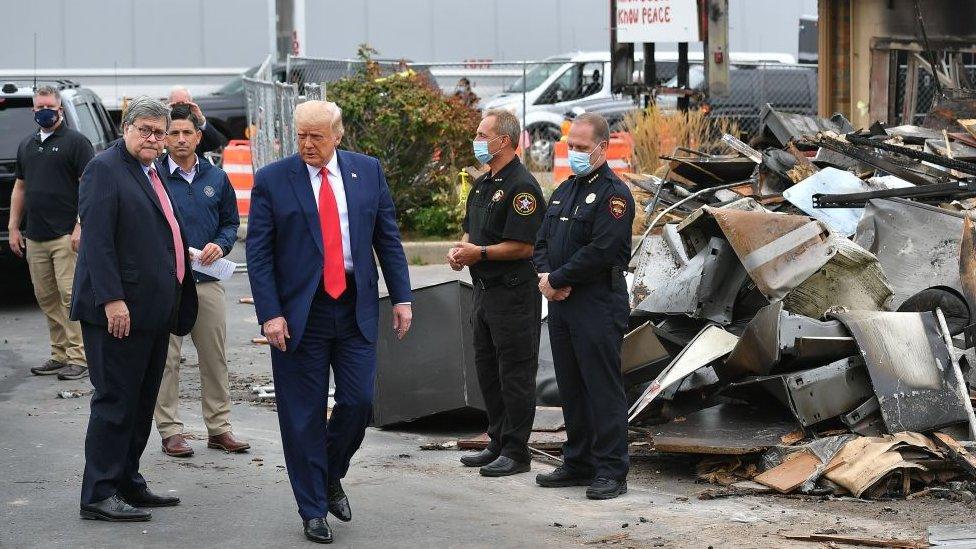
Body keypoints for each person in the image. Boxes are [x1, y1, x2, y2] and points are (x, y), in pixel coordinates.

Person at [246, 100, 413, 544]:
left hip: (355, 304)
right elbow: (258, 255)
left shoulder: (367, 172)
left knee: (358, 402)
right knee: (302, 415)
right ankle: (313, 509)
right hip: (301, 313)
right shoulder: (273, 180)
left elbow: (387, 239)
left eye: (317, 136)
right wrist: (271, 314)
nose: (307, 144)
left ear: (337, 136)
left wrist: (402, 297)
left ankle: (327, 474)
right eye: (301, 135)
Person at [70, 96, 198, 521]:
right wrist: (112, 299)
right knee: (116, 402)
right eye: (145, 130)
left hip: (152, 312)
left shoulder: (150, 169)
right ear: (125, 128)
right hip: (117, 314)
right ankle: (99, 494)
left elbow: (156, 233)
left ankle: (127, 481)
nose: (154, 138)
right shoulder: (104, 169)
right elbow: (97, 242)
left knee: (142, 403)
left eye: (159, 132)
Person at [532, 113, 634, 500]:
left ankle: (611, 469)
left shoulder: (614, 195)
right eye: (569, 146)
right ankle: (578, 461)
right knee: (571, 387)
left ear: (602, 148)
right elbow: (542, 240)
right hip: (561, 304)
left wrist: (557, 279)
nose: (573, 153)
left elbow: (602, 250)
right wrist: (545, 277)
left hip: (596, 303)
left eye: (580, 147)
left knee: (601, 389)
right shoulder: (564, 190)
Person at [450, 109, 545, 477]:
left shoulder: (522, 187)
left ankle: (517, 451)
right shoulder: (484, 183)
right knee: (487, 369)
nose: (476, 141)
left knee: (515, 373)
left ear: (502, 140)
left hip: (514, 295)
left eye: (480, 134)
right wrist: (461, 251)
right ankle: (498, 440)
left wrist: (482, 254)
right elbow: (470, 231)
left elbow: (525, 246)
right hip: (484, 293)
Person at [152, 104, 248, 458]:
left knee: (214, 357)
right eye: (173, 133)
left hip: (207, 281)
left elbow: (230, 224)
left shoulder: (216, 178)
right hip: (167, 284)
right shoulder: (153, 176)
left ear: (198, 136)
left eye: (186, 133)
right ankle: (170, 431)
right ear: (165, 139)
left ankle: (219, 428)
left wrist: (219, 246)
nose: (180, 139)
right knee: (166, 360)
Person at [8, 85, 93, 380]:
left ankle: (79, 357)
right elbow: (20, 186)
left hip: (64, 236)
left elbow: (87, 185)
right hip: (35, 236)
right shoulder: (27, 145)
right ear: (34, 110)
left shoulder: (76, 143)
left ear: (59, 109)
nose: (44, 111)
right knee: (46, 297)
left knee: (70, 296)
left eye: (49, 106)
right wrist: (13, 227)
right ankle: (59, 354)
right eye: (39, 107)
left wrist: (81, 225)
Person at [167, 86, 227, 154]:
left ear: (190, 103)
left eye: (184, 104)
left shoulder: (196, 125)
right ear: (170, 105)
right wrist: (164, 117)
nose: (181, 140)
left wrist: (201, 121)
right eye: (176, 105)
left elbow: (217, 143)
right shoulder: (164, 124)